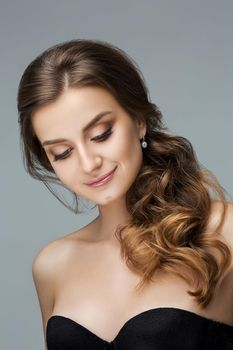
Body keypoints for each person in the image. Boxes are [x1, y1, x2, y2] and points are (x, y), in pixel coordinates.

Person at [17, 39, 233, 350]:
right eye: (63, 153)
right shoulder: (52, 266)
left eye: (101, 134)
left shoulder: (223, 231)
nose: (89, 164)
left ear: (139, 119)